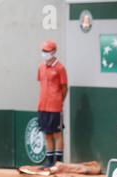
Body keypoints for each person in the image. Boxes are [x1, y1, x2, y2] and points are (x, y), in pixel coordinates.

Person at [37, 40, 68, 168]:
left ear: (53, 52)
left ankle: (58, 162)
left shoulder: (60, 68)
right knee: (47, 133)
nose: (44, 53)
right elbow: (42, 84)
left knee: (57, 134)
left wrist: (59, 101)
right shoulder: (40, 67)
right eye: (43, 50)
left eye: (47, 51)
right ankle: (49, 161)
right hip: (42, 106)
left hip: (55, 107)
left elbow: (65, 88)